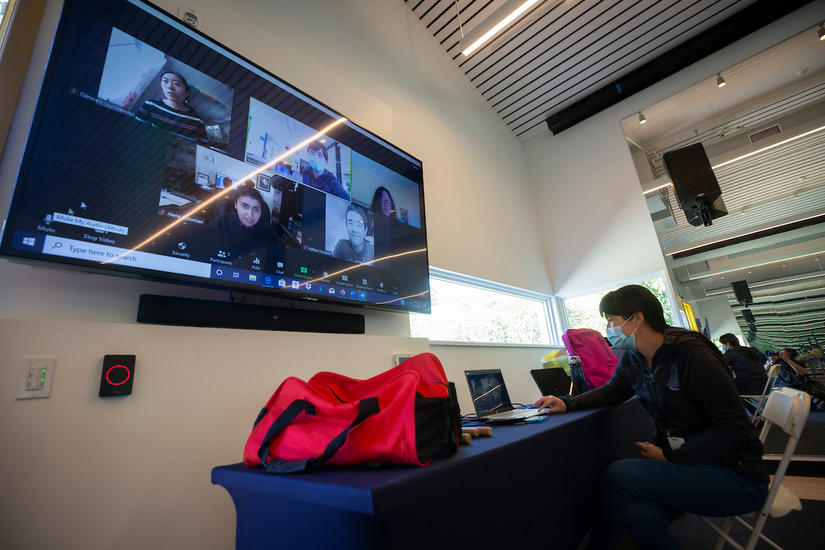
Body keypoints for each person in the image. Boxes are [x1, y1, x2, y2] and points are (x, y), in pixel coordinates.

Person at [534, 285, 768, 550]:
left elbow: (733, 428)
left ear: (637, 318)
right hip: (693, 466)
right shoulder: (634, 358)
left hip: (736, 474)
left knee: (621, 474)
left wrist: (671, 457)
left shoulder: (692, 354)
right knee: (640, 516)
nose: (608, 328)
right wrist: (567, 403)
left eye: (612, 320)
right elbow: (612, 392)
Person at [136, 71, 207, 141]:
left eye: (177, 84)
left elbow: (214, 143)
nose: (169, 87)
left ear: (187, 93)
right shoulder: (150, 105)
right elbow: (137, 130)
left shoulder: (198, 120)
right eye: (165, 81)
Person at [208, 182, 277, 241]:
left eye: (256, 209)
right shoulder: (219, 224)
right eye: (245, 206)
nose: (250, 215)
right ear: (235, 205)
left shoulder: (269, 233)